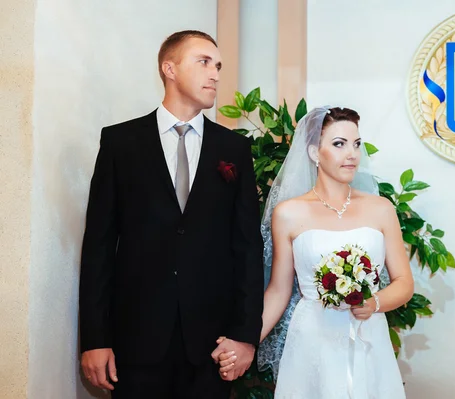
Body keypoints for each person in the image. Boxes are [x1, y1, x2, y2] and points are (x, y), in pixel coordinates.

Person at [78, 30, 264, 398]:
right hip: (135, 342)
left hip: (212, 344)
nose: (215, 74)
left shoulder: (234, 149)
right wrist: (95, 339)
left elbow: (247, 249)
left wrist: (245, 337)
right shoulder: (120, 143)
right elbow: (99, 246)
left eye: (219, 66)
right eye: (204, 62)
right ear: (170, 68)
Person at [213, 106, 414, 398]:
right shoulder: (288, 214)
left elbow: (404, 283)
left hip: (368, 336)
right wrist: (245, 342)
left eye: (356, 144)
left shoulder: (381, 209)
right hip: (312, 340)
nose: (352, 154)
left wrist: (374, 302)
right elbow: (279, 292)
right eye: (339, 144)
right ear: (313, 153)